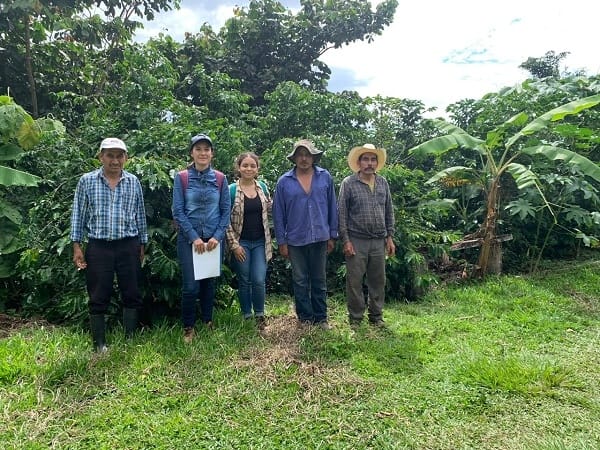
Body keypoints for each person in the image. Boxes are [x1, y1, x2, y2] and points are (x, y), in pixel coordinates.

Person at [70, 137, 148, 352]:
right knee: (98, 293)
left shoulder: (133, 182)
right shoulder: (87, 181)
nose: (115, 160)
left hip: (128, 244)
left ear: (126, 158)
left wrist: (143, 244)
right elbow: (78, 214)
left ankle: (130, 341)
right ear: (101, 157)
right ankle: (99, 345)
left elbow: (140, 214)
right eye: (110, 155)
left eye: (119, 156)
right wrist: (77, 246)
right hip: (98, 246)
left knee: (131, 291)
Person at [272, 139, 338, 329]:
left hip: (320, 237)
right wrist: (282, 241)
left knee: (319, 279)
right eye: (300, 154)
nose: (304, 158)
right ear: (294, 158)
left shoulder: (324, 177)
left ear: (313, 157)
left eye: (307, 154)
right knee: (300, 280)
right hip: (295, 239)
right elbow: (278, 214)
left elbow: (332, 207)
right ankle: (305, 318)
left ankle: (321, 317)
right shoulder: (284, 182)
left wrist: (332, 235)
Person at [172, 133, 230, 343]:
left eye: (206, 149)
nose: (203, 153)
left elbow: (226, 211)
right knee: (190, 286)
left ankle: (207, 320)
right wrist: (194, 237)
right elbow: (178, 211)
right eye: (198, 149)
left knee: (209, 283)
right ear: (192, 153)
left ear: (212, 153)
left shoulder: (221, 178)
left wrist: (217, 236)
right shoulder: (182, 177)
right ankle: (188, 326)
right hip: (190, 241)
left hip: (214, 240)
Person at [338, 143, 396, 327]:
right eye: (366, 159)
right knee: (355, 281)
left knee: (378, 280)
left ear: (376, 163)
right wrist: (346, 240)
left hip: (379, 240)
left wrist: (390, 237)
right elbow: (342, 214)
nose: (369, 163)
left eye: (373, 160)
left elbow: (389, 211)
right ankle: (355, 317)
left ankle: (376, 316)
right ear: (359, 162)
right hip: (356, 239)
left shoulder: (383, 183)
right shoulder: (348, 183)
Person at [226, 152, 272, 328]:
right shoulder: (231, 190)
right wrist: (234, 245)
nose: (248, 168)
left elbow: (269, 209)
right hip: (241, 242)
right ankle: (246, 315)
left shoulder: (262, 188)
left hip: (260, 241)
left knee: (259, 279)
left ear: (257, 169)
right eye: (245, 165)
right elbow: (224, 220)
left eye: (252, 165)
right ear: (238, 168)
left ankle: (260, 314)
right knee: (244, 279)